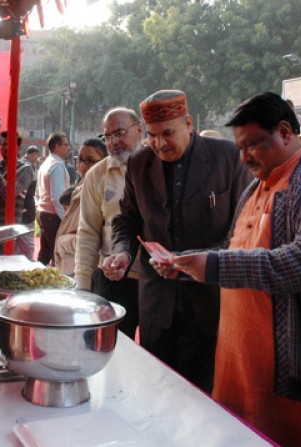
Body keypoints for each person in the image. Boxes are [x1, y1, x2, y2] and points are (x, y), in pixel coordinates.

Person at [170, 91, 301, 447]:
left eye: (253, 145)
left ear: (285, 132)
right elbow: (234, 250)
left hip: (298, 377)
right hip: (239, 370)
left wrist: (214, 265)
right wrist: (187, 263)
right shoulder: (256, 187)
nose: (244, 158)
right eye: (239, 148)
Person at [101, 90, 251, 393]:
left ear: (189, 123)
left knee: (203, 396)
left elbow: (243, 227)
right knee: (155, 392)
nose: (159, 144)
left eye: (167, 133)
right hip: (158, 303)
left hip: (211, 301)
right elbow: (126, 219)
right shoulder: (139, 163)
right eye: (152, 136)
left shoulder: (226, 157)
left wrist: (202, 262)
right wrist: (122, 253)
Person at [75, 107, 143, 338]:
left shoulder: (157, 167)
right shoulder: (97, 175)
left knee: (152, 352)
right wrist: (83, 285)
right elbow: (87, 231)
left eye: (120, 133)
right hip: (112, 279)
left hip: (154, 281)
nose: (113, 142)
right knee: (110, 347)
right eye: (107, 136)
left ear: (139, 131)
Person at [54, 138, 107, 276]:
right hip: (71, 263)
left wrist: (62, 242)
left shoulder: (102, 191)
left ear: (104, 162)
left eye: (90, 160)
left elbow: (94, 240)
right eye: (80, 159)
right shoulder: (83, 183)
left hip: (85, 267)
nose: (83, 165)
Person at [36, 132, 71, 265]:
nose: (69, 148)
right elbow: (57, 198)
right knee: (58, 256)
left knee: (45, 254)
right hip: (53, 215)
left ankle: (37, 276)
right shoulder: (56, 166)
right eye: (65, 145)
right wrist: (65, 219)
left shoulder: (47, 163)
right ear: (57, 146)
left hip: (45, 213)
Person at [19, 146, 41, 260]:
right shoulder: (27, 167)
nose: (37, 158)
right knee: (27, 242)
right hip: (25, 207)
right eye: (36, 156)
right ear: (33, 154)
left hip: (22, 207)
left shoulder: (21, 164)